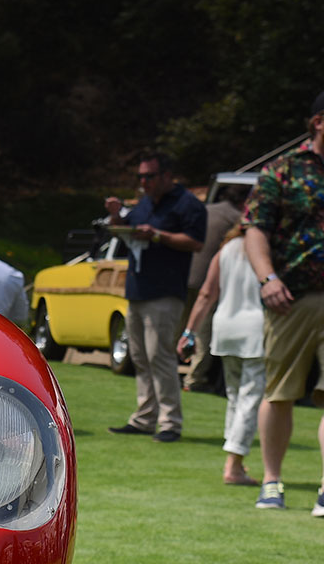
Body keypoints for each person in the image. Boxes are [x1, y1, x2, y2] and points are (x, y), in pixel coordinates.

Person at [242, 86, 324, 517]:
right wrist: (268, 278)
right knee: (279, 392)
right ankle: (272, 481)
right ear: (319, 122)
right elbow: (256, 229)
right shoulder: (283, 170)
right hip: (289, 299)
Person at [103, 151, 206, 442]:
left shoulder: (188, 205)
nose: (143, 182)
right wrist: (115, 216)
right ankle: (145, 418)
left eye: (149, 176)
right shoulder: (143, 204)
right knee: (139, 356)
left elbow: (196, 242)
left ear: (167, 175)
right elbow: (127, 228)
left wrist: (159, 235)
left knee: (159, 355)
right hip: (137, 290)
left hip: (165, 292)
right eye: (140, 177)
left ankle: (170, 422)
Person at [179, 222, 264, 486]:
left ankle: (235, 459)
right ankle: (234, 463)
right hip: (256, 328)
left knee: (235, 396)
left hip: (226, 328)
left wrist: (190, 331)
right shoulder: (266, 251)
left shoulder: (225, 250)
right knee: (250, 396)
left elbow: (206, 294)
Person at [183, 186, 244, 392]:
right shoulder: (238, 219)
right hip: (208, 279)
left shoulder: (206, 209)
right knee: (203, 333)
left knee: (183, 329)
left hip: (184, 277)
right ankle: (194, 379)